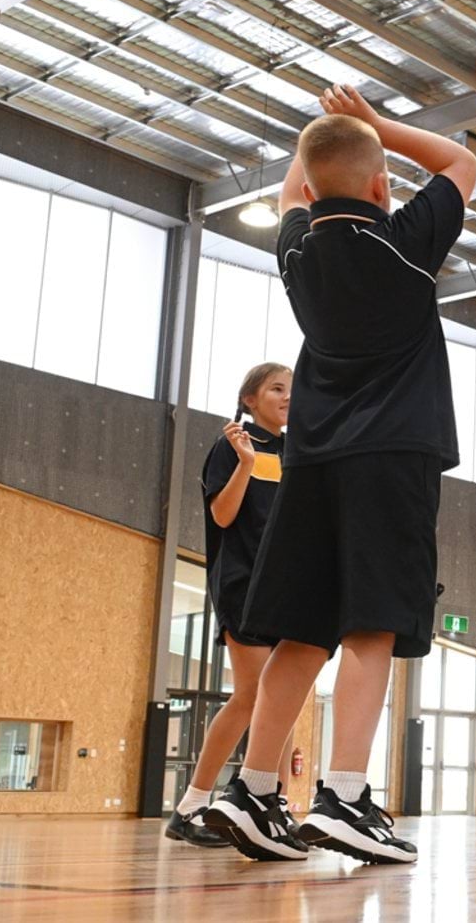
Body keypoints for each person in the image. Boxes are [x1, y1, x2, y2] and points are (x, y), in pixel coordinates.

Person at [206, 83, 476, 865]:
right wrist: (376, 124)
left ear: (314, 185)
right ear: (383, 184)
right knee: (371, 626)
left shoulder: (296, 249)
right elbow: (462, 160)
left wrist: (326, 141)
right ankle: (344, 796)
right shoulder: (403, 241)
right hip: (391, 457)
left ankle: (255, 790)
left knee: (304, 629)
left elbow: (297, 187)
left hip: (312, 462)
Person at [164, 364, 306, 858]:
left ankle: (273, 806)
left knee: (282, 702)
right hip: (242, 584)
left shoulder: (297, 452)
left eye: (294, 388)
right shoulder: (232, 445)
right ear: (249, 399)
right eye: (277, 388)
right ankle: (190, 808)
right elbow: (222, 516)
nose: (289, 396)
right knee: (252, 696)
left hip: (286, 588)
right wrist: (245, 463)